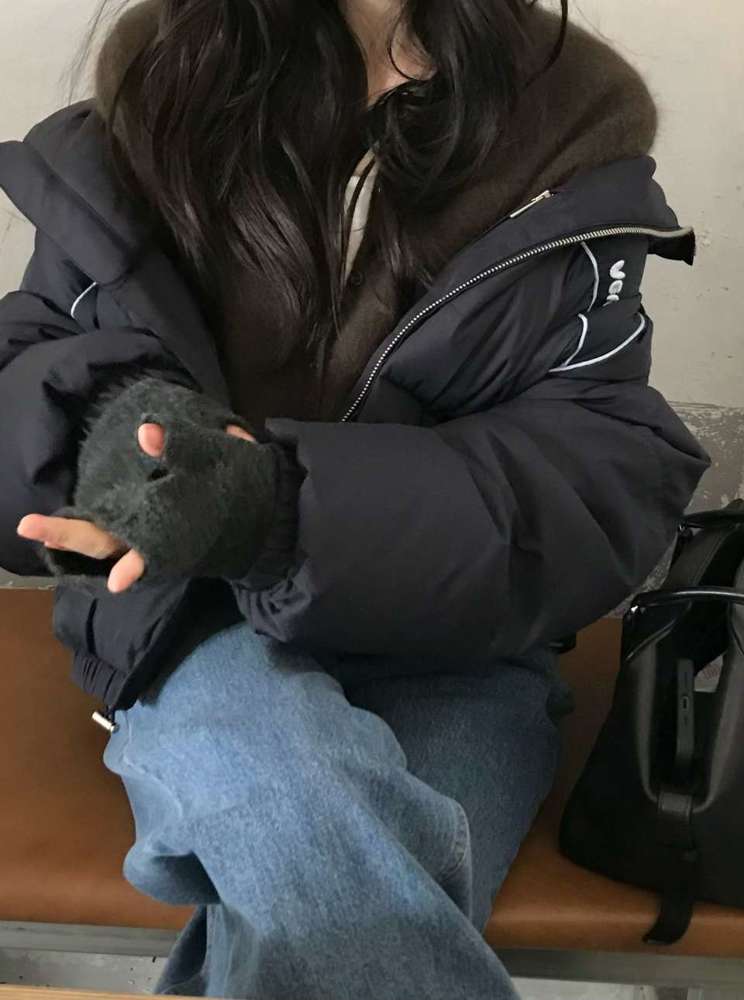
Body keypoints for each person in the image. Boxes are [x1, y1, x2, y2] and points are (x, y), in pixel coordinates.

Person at [0, 0, 709, 996]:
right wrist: (124, 437)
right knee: (316, 831)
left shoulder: (565, 118)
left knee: (333, 898)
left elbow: (587, 481)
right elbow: (35, 372)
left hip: (463, 647)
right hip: (187, 620)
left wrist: (281, 510)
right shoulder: (163, 79)